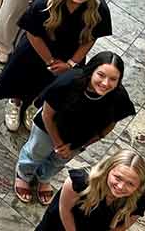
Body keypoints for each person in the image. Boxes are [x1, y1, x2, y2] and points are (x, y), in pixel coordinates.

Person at [0, 0, 111, 134]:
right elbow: (33, 33)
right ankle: (15, 102)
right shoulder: (45, 0)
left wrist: (70, 63)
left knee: (52, 85)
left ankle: (35, 105)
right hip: (36, 49)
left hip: (69, 55)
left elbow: (90, 38)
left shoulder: (99, 9)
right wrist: (50, 62)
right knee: (22, 76)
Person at [18, 52, 136, 205]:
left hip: (76, 141)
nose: (106, 83)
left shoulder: (119, 97)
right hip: (49, 129)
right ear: (91, 71)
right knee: (35, 153)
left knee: (58, 162)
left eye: (113, 79)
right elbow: (47, 114)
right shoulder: (69, 82)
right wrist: (59, 144)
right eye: (101, 75)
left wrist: (82, 145)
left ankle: (44, 178)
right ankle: (23, 175)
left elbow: (110, 125)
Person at [36, 149, 145, 231]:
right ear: (108, 170)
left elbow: (123, 226)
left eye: (130, 184)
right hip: (61, 225)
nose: (121, 187)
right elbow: (64, 210)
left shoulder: (141, 200)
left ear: (139, 186)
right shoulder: (80, 182)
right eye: (118, 178)